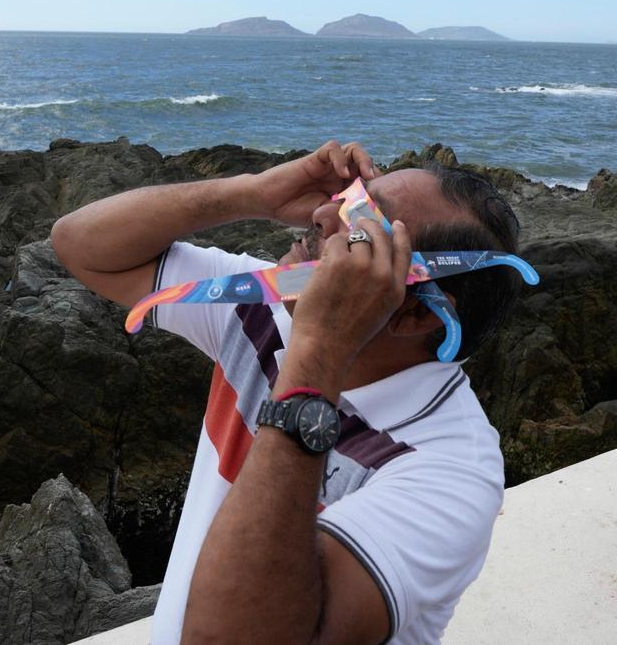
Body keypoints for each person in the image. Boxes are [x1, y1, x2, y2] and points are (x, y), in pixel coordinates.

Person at [50, 141, 523, 644]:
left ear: (416, 312)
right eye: (348, 195)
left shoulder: (451, 470)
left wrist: (318, 349)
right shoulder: (269, 309)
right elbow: (80, 246)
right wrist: (252, 193)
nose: (322, 214)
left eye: (360, 220)